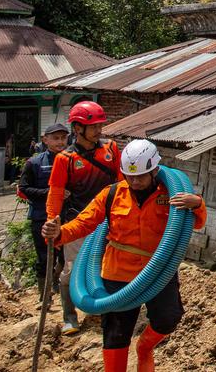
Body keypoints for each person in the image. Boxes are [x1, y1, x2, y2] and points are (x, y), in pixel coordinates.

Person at [42, 139, 206, 372]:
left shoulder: (171, 194)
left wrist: (197, 203)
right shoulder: (112, 195)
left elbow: (197, 223)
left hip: (159, 270)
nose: (135, 181)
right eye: (130, 176)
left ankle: (145, 348)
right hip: (118, 272)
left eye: (141, 176)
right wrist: (59, 233)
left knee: (168, 319)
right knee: (116, 334)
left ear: (154, 170)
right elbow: (84, 223)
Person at [46, 100, 122, 335]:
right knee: (72, 269)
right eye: (94, 126)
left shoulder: (110, 149)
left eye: (100, 125)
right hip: (77, 222)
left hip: (108, 221)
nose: (99, 130)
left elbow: (121, 183)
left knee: (107, 267)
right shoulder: (65, 159)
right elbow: (56, 192)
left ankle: (103, 308)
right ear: (78, 128)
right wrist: (52, 221)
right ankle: (70, 316)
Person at [16, 123, 70, 292]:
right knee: (44, 257)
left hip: (68, 216)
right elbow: (23, 189)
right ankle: (43, 294)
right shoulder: (34, 163)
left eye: (63, 138)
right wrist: (52, 193)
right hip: (41, 217)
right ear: (45, 140)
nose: (60, 142)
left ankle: (55, 283)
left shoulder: (73, 160)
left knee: (65, 256)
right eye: (55, 138)